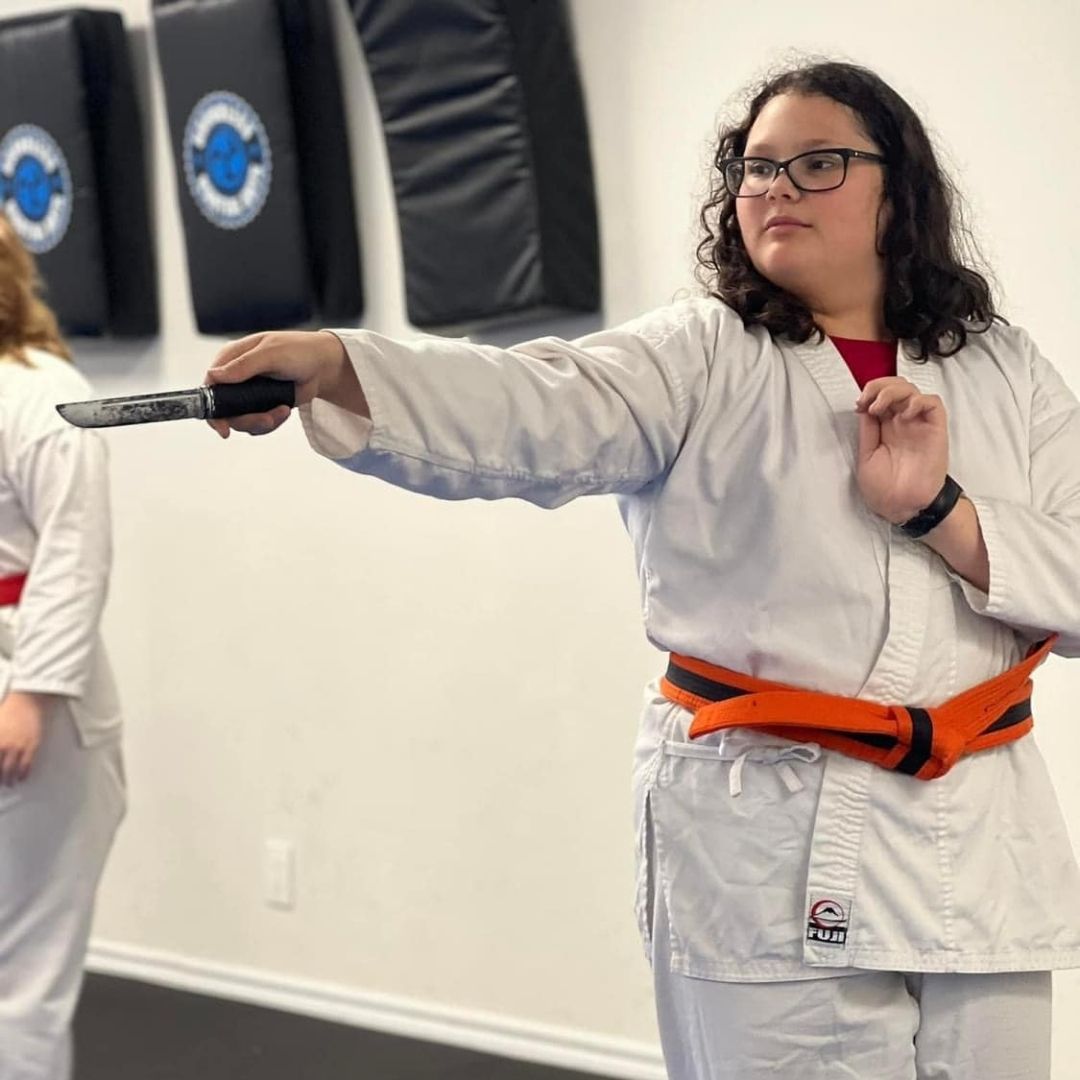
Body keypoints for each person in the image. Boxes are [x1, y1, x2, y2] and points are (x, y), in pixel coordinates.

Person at [204, 60, 1080, 1079]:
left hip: (974, 832)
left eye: (819, 162)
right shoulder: (705, 355)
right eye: (755, 168)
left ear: (903, 192)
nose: (778, 188)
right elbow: (527, 406)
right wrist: (338, 364)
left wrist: (941, 511)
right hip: (769, 829)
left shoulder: (1001, 369)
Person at [0, 213, 125, 1080]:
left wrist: (32, 694)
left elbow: (76, 552)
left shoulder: (40, 394)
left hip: (28, 693)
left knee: (22, 972)